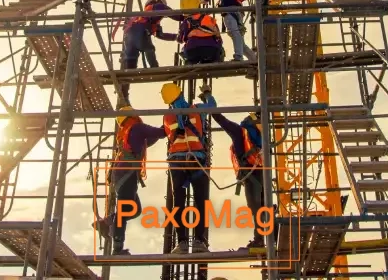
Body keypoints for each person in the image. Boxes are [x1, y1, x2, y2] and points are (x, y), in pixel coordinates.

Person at [95, 104, 167, 256]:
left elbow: (150, 140)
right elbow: (159, 133)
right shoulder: (137, 128)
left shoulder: (126, 132)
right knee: (124, 210)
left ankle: (106, 222)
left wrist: (164, 131)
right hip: (126, 173)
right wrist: (170, 122)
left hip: (123, 174)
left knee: (134, 209)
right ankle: (117, 248)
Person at [200, 92, 267, 250]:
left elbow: (221, 119)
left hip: (250, 174)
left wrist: (210, 100)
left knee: (255, 206)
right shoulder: (261, 135)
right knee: (264, 206)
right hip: (262, 172)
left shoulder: (239, 132)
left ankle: (260, 240)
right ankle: (264, 239)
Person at [160, 82, 212, 254]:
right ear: (181, 93)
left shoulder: (167, 117)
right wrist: (206, 93)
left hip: (177, 163)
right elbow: (213, 107)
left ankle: (181, 243)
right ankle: (199, 242)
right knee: (201, 201)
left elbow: (167, 134)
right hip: (196, 160)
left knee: (179, 202)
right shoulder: (196, 109)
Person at [120, 0, 178, 100]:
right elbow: (168, 11)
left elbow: (160, 35)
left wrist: (175, 37)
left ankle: (124, 93)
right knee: (149, 48)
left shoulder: (146, 18)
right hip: (139, 31)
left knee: (130, 63)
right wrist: (184, 17)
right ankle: (154, 67)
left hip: (129, 37)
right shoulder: (156, 7)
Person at [177, 0, 224, 64]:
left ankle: (190, 66)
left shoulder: (185, 22)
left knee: (183, 51)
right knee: (219, 51)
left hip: (193, 51)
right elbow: (219, 38)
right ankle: (216, 62)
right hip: (212, 50)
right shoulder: (209, 18)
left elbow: (180, 40)